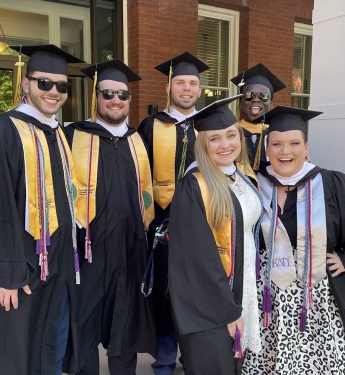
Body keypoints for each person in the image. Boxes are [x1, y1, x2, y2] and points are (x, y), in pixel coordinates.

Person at [242, 106, 345, 374]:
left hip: (317, 300)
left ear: (307, 148)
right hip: (267, 299)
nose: (285, 151)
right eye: (276, 144)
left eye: (294, 143)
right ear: (267, 149)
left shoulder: (331, 183)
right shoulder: (253, 185)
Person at [0, 44, 84, 375]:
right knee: (19, 350)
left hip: (59, 262)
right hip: (22, 265)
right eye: (44, 83)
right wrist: (4, 272)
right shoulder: (0, 130)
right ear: (25, 83)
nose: (53, 92)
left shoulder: (58, 133)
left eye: (61, 86)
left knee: (54, 342)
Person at [64, 59, 156, 375]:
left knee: (125, 324)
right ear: (96, 96)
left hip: (130, 251)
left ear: (130, 99)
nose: (115, 100)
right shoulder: (72, 136)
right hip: (88, 250)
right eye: (108, 93)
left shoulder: (137, 140)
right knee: (84, 323)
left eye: (122, 94)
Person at [167, 95, 262, 375]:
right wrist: (227, 311)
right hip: (210, 305)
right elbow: (197, 259)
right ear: (203, 144)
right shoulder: (195, 186)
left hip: (239, 290)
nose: (225, 144)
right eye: (215, 138)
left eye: (231, 135)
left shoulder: (240, 177)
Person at [137, 51, 209, 375]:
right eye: (180, 82)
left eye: (192, 83)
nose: (187, 88)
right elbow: (138, 174)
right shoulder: (151, 126)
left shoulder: (208, 128)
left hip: (200, 222)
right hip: (161, 223)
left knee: (194, 289)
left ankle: (192, 354)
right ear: (170, 86)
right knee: (165, 290)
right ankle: (164, 357)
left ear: (199, 88)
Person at [230, 64, 286, 172]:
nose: (256, 100)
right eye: (249, 96)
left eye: (263, 96)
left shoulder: (277, 134)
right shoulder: (231, 133)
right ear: (240, 103)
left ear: (271, 104)